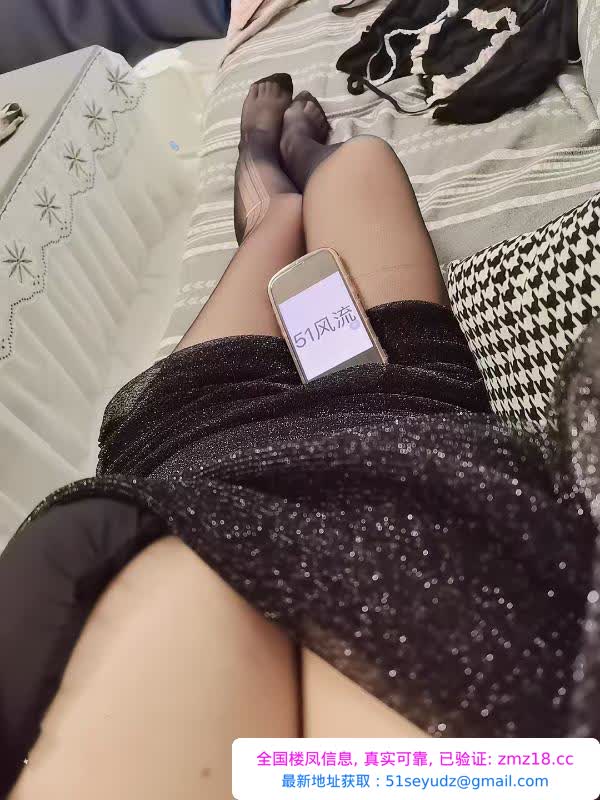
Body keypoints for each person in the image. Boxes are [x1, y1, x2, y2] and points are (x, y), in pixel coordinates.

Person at [1, 74, 598, 799]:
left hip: (207, 441)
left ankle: (268, 169)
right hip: (398, 417)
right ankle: (305, 162)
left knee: (279, 224)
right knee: (363, 166)